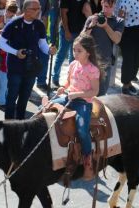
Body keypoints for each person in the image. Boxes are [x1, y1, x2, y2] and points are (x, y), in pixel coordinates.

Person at [0, 0, 57, 119]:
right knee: (12, 96)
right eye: (34, 9)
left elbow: (43, 45)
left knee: (24, 97)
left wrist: (49, 50)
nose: (38, 11)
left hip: (31, 66)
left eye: (39, 8)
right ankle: (9, 124)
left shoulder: (39, 25)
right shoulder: (14, 23)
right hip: (15, 66)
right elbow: (0, 43)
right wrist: (15, 52)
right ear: (25, 10)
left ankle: (20, 123)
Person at [54, 33, 102, 179]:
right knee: (45, 108)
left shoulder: (93, 70)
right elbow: (68, 83)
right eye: (74, 50)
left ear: (88, 52)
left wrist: (78, 95)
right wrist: (62, 87)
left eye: (79, 50)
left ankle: (88, 159)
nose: (75, 53)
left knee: (82, 129)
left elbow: (94, 91)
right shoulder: (73, 64)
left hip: (83, 103)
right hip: (69, 97)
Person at [83, 0, 124, 96]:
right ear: (101, 3)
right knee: (87, 94)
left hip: (105, 64)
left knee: (101, 94)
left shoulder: (119, 21)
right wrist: (90, 26)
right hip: (89, 62)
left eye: (109, 7)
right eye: (105, 6)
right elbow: (82, 39)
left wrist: (106, 26)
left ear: (114, 5)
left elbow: (117, 40)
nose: (106, 9)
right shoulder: (92, 18)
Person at [51, 0, 91, 87]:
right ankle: (55, 79)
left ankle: (71, 80)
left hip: (79, 31)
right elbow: (63, 13)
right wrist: (66, 31)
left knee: (74, 57)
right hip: (67, 30)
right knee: (61, 54)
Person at [117, 0, 139, 96]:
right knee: (128, 59)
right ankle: (125, 84)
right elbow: (120, 18)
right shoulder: (127, 1)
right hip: (129, 32)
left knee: (137, 58)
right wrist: (119, 34)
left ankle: (130, 81)